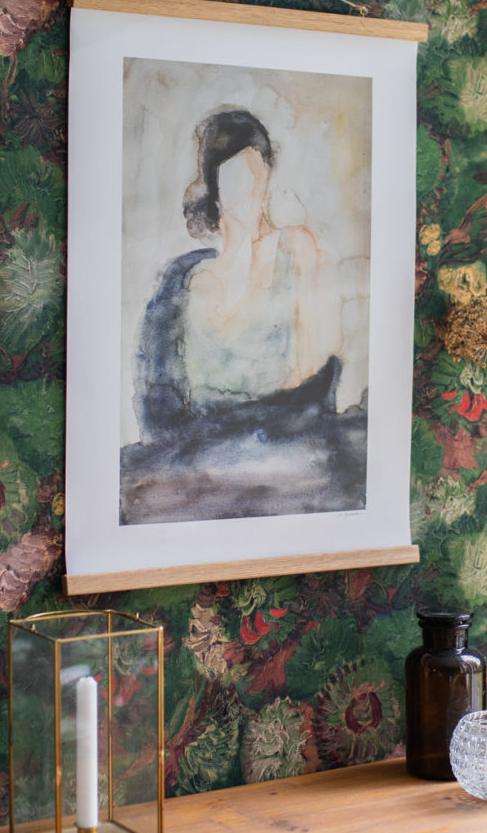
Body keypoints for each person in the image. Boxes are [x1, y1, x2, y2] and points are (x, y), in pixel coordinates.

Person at [123, 107, 364, 524]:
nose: (248, 190)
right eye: (233, 177)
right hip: (197, 466)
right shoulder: (183, 279)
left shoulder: (299, 248)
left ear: (267, 175)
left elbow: (316, 381)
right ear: (213, 186)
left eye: (255, 174)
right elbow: (158, 408)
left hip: (289, 456)